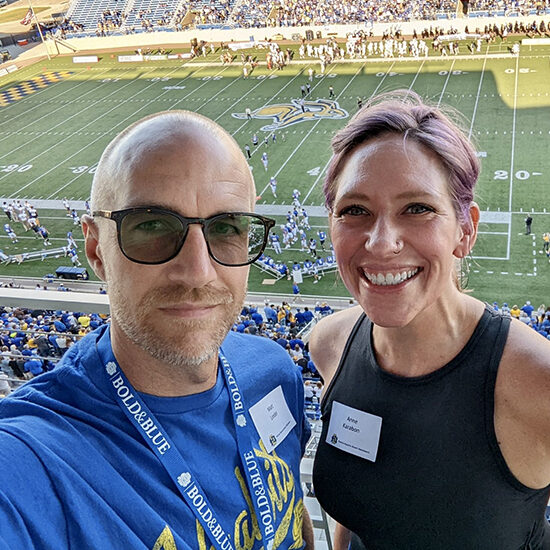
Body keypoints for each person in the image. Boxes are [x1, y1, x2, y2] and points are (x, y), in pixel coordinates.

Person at [0, 111, 313, 549]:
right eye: (151, 225)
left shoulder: (274, 373)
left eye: (226, 228)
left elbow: (293, 519)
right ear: (96, 248)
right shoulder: (35, 458)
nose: (198, 272)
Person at [309, 90, 550, 549]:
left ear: (465, 229)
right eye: (354, 211)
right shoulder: (330, 344)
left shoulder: (536, 380)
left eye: (417, 208)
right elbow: (363, 511)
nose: (380, 243)